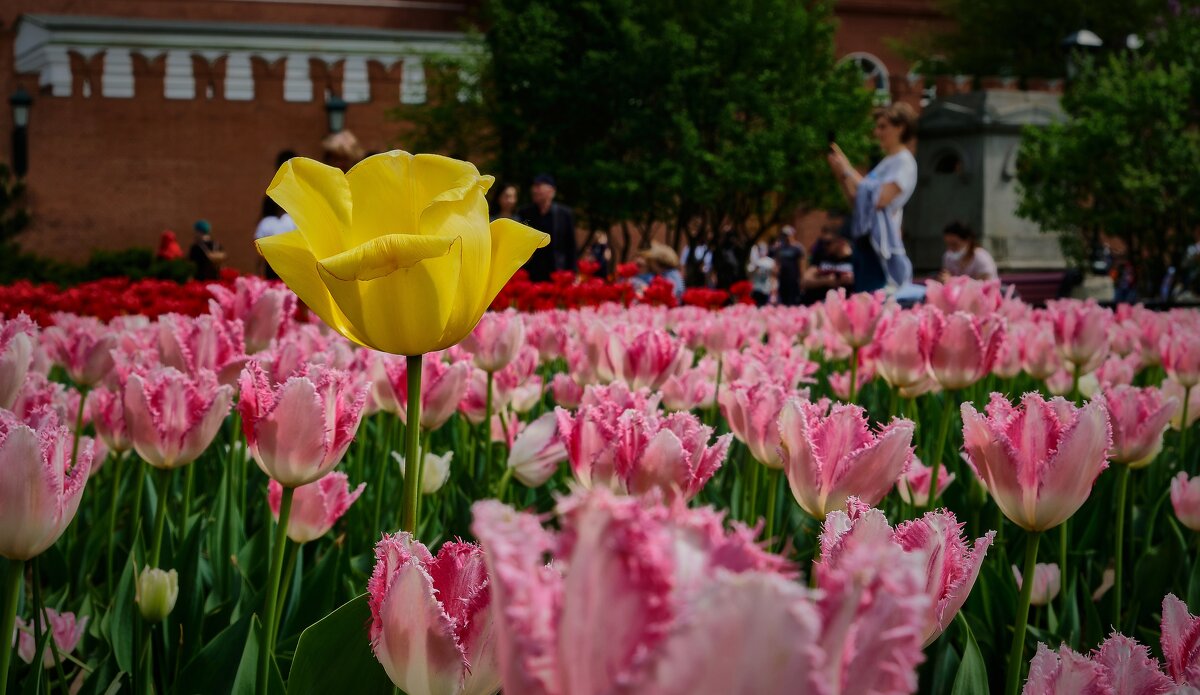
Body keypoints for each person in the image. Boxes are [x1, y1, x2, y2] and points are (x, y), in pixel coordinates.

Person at [827, 103, 919, 292]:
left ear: (900, 127)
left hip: (879, 247)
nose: (877, 132)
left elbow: (880, 199)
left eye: (883, 126)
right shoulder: (886, 163)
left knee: (873, 305)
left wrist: (848, 170)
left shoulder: (904, 161)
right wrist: (842, 176)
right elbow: (858, 202)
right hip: (864, 242)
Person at [519, 174, 577, 282]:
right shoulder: (525, 213)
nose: (535, 190)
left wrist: (572, 272)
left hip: (557, 271)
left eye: (539, 187)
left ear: (552, 191)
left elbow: (570, 245)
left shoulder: (564, 214)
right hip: (532, 272)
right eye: (534, 187)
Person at [801, 218, 855, 303]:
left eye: (828, 243)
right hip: (818, 304)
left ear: (841, 241)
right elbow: (805, 281)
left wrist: (852, 280)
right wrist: (826, 281)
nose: (824, 246)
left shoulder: (854, 259)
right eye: (822, 242)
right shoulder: (821, 256)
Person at [771, 225, 805, 306]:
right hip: (782, 279)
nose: (785, 237)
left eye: (787, 235)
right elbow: (777, 263)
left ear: (792, 235)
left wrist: (802, 279)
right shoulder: (779, 248)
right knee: (783, 301)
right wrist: (774, 277)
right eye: (784, 235)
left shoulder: (798, 248)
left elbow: (802, 265)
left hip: (793, 279)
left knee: (793, 301)